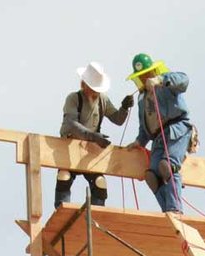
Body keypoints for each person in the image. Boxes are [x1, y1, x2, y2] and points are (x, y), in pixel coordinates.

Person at [55, 61, 134, 210]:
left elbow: (117, 119)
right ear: (84, 85)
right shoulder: (73, 98)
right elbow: (71, 123)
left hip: (90, 151)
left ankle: (97, 214)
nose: (95, 92)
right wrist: (93, 136)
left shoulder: (102, 100)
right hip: (69, 146)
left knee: (100, 182)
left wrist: (124, 108)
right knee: (64, 176)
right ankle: (62, 211)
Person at [124, 53, 194, 213]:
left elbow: (184, 80)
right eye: (140, 76)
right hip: (158, 138)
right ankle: (167, 210)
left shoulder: (166, 82)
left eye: (146, 74)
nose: (144, 78)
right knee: (152, 176)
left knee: (167, 166)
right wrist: (139, 141)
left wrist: (161, 80)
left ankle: (175, 208)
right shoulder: (143, 98)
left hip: (177, 129)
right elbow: (145, 125)